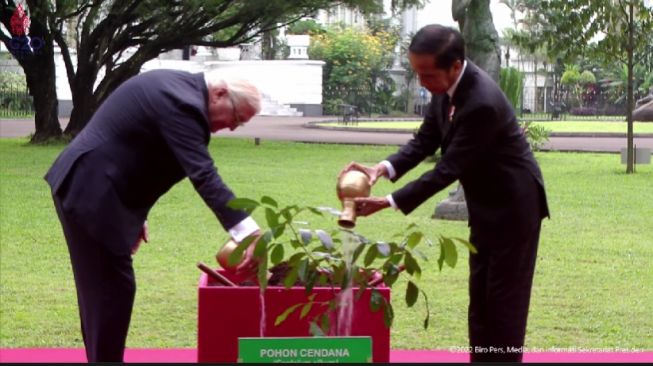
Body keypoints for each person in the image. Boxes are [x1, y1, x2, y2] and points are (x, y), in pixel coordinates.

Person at [339, 25, 549, 362]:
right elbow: (425, 140)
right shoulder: (445, 87)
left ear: (455, 65)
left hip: (514, 209)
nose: (422, 82)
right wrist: (382, 168)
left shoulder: (481, 102)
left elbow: (448, 169)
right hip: (485, 208)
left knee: (504, 303)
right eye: (417, 73)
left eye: (427, 74)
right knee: (480, 298)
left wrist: (389, 202)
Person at [45, 69, 263, 362]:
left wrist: (136, 215)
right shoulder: (183, 104)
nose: (234, 128)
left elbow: (141, 153)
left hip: (91, 187)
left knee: (104, 294)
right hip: (91, 191)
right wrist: (248, 231)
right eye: (237, 118)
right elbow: (204, 175)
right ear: (220, 94)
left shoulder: (180, 92)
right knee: (111, 292)